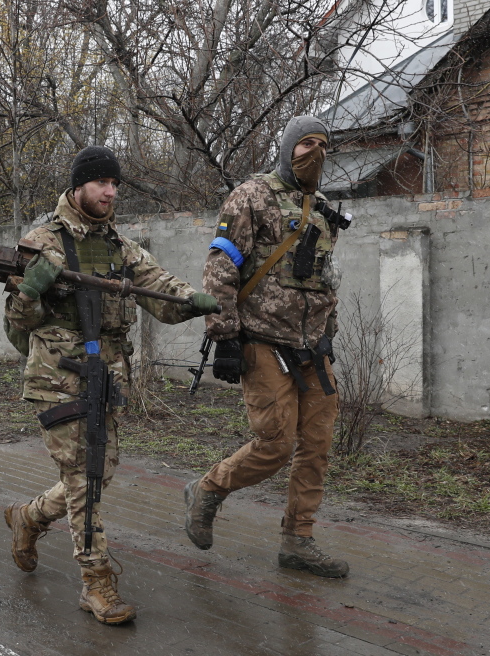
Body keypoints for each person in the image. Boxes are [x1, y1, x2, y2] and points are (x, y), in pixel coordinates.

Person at [3, 145, 220, 624]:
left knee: (96, 475)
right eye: (102, 182)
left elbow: (159, 287)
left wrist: (193, 300)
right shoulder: (42, 241)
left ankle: (30, 516)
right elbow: (17, 326)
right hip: (59, 381)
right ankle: (96, 581)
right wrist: (31, 289)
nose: (111, 191)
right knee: (86, 479)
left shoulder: (121, 247)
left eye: (116, 184)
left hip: (105, 378)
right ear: (79, 185)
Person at [184, 116, 349, 578]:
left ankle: (298, 540)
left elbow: (325, 279)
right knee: (277, 442)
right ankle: (208, 490)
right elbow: (221, 267)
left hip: (312, 346)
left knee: (316, 445)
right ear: (287, 148)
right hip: (261, 339)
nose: (314, 153)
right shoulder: (252, 195)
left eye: (322, 144)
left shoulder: (323, 208)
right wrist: (226, 336)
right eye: (305, 144)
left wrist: (329, 332)